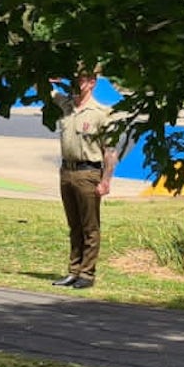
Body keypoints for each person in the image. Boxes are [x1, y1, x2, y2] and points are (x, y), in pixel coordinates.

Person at [53, 70, 116, 290]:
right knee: (74, 225)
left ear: (91, 82)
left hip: (88, 173)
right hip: (67, 171)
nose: (75, 83)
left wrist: (106, 180)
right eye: (72, 78)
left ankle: (87, 274)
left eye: (79, 79)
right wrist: (48, 76)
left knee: (90, 226)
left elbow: (110, 150)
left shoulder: (101, 113)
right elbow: (41, 91)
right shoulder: (66, 106)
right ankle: (73, 270)